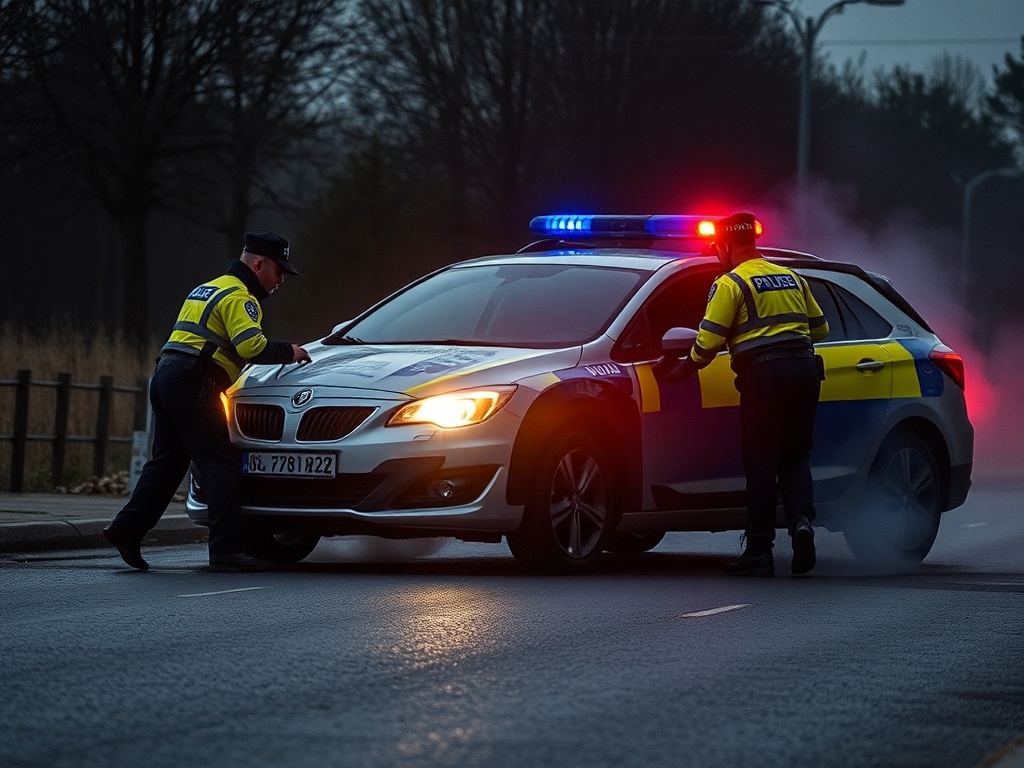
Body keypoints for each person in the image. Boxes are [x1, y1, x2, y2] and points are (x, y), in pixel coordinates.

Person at [103, 231, 312, 572]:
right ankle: (226, 550)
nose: (280, 281)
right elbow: (251, 347)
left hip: (167, 374)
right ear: (258, 264)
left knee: (167, 462)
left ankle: (126, 529)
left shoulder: (208, 287)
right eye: (278, 272)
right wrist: (290, 351)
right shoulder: (241, 297)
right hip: (195, 380)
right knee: (222, 463)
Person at [658, 212, 828, 577]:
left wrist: (685, 367)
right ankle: (801, 522)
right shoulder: (792, 277)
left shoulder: (731, 283)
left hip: (764, 375)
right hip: (804, 370)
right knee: (796, 456)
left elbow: (708, 339)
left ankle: (759, 551)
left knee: (761, 464)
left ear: (724, 246)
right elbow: (822, 329)